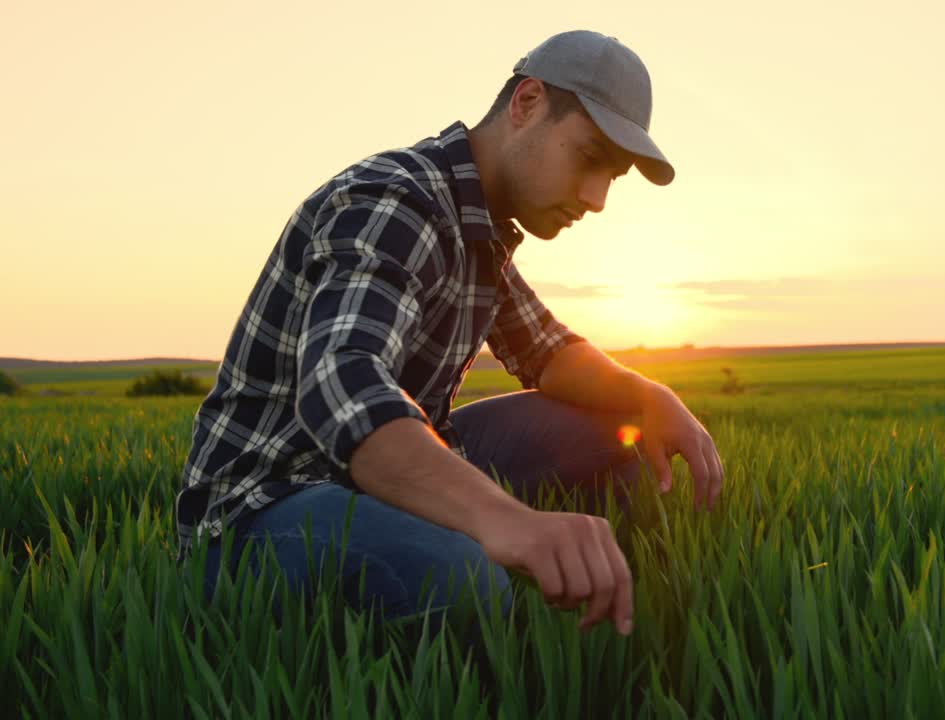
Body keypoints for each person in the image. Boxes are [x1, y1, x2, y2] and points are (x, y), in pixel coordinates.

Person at [177, 30, 725, 638]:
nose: (596, 199)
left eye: (613, 178)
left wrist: (649, 396)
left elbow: (547, 350)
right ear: (527, 103)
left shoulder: (479, 225)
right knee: (464, 579)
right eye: (590, 157)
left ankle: (595, 604)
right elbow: (343, 386)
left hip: (378, 476)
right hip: (267, 505)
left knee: (618, 429)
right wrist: (507, 521)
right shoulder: (395, 201)